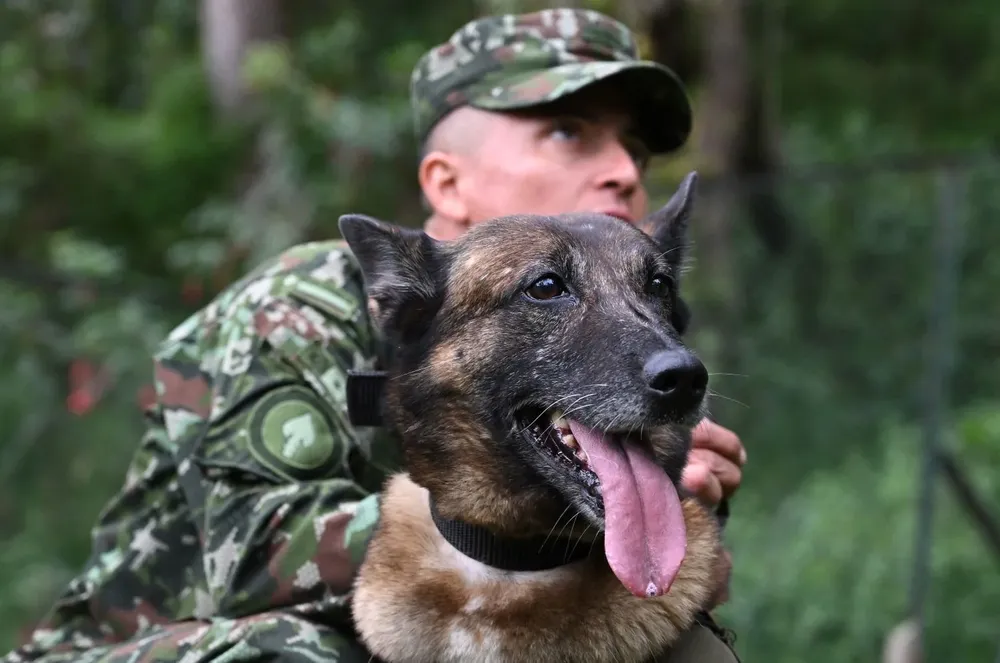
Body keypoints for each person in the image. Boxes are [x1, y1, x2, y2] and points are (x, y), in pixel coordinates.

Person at [5, 8, 746, 663]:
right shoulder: (295, 307)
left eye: (636, 153)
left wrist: (658, 511)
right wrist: (489, 531)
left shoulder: (628, 332)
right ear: (447, 182)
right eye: (567, 133)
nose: (621, 171)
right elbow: (249, 547)